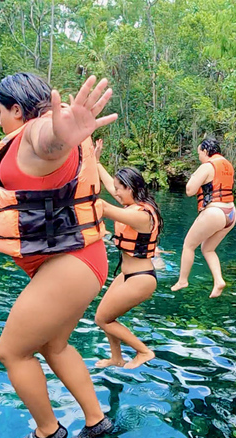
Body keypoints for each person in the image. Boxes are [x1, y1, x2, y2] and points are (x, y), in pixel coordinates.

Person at [0, 72, 118, 438]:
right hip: (80, 260)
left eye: (1, 112)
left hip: (72, 262)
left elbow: (47, 141)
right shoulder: (43, 132)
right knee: (53, 345)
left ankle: (48, 429)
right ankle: (97, 420)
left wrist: (61, 134)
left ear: (17, 109)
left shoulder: (38, 132)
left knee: (11, 351)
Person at [93, 139, 162, 369]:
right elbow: (111, 190)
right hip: (126, 275)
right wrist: (96, 161)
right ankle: (116, 358)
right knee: (106, 318)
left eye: (120, 189)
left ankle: (143, 352)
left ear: (130, 188)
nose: (116, 193)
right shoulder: (134, 205)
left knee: (102, 319)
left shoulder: (142, 216)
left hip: (141, 279)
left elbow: (103, 206)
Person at [171, 138, 236, 298]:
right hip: (231, 213)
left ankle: (182, 280)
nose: (199, 156)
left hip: (215, 212)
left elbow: (189, 190)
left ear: (206, 152)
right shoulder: (228, 164)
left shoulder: (207, 165)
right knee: (207, 249)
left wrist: (195, 175)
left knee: (188, 245)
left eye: (199, 153)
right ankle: (219, 280)